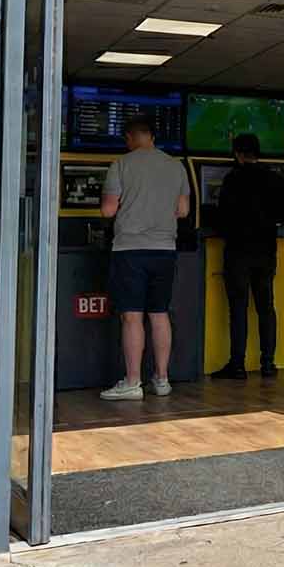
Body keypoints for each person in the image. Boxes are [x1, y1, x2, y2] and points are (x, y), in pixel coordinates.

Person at [100, 115, 191, 401]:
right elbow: (183, 210)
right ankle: (162, 380)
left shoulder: (121, 164)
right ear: (152, 136)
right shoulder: (176, 166)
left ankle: (132, 382)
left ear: (129, 137)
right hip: (165, 249)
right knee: (159, 313)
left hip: (130, 249)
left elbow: (108, 210)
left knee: (132, 316)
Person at [212, 134, 284, 379]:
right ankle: (268, 363)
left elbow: (222, 217)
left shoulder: (232, 179)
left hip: (238, 252)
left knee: (238, 309)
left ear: (238, 154)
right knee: (266, 308)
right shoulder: (274, 178)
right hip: (266, 252)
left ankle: (238, 365)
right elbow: (283, 212)